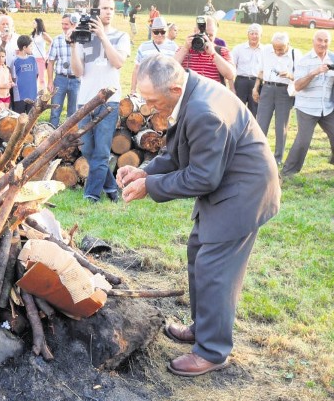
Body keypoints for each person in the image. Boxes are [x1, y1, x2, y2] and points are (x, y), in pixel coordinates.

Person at [117, 54, 281, 377]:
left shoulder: (204, 111)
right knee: (197, 253)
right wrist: (145, 172)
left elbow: (203, 177)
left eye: (151, 101)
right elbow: (180, 152)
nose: (147, 108)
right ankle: (203, 327)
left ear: (174, 89)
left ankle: (212, 351)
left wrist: (150, 186)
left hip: (242, 192)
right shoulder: (188, 94)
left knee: (214, 268)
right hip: (226, 182)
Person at [70, 0, 130, 203]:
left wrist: (103, 36)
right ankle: (112, 189)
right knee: (87, 149)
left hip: (109, 101)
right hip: (85, 100)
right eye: (103, 8)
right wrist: (73, 44)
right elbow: (78, 71)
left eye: (111, 9)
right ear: (95, 11)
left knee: (102, 151)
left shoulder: (121, 36)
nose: (108, 12)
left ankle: (91, 195)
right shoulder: (84, 37)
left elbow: (118, 62)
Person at [281, 30, 334, 178]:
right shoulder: (304, 61)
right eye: (320, 40)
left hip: (327, 108)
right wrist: (314, 72)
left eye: (326, 41)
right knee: (303, 141)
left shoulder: (332, 58)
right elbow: (297, 86)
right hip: (307, 108)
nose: (323, 44)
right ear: (313, 41)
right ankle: (287, 172)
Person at [252, 32, 298, 166]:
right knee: (261, 123)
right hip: (267, 88)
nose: (277, 52)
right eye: (275, 49)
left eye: (281, 49)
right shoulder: (266, 50)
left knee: (281, 126)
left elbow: (301, 78)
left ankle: (277, 158)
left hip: (284, 91)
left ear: (288, 45)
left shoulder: (296, 54)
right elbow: (260, 71)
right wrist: (256, 87)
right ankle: (258, 154)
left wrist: (289, 75)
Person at [174, 15, 235, 85]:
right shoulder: (183, 50)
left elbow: (231, 75)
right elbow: (170, 70)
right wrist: (184, 49)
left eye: (210, 35)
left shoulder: (222, 51)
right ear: (195, 31)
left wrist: (213, 54)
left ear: (215, 34)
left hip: (212, 95)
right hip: (189, 95)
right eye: (202, 34)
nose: (206, 38)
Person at [47, 13, 80, 128]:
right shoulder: (56, 40)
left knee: (73, 113)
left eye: (66, 24)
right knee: (55, 111)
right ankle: (50, 138)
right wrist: (50, 81)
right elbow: (50, 62)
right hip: (60, 79)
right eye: (63, 24)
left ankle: (69, 139)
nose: (64, 26)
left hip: (76, 80)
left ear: (74, 24)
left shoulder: (81, 40)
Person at [130, 16, 177, 94]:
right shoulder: (143, 47)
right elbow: (137, 69)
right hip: (147, 91)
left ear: (167, 31)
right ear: (151, 32)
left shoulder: (174, 47)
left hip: (167, 92)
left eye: (162, 32)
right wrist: (133, 90)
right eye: (156, 32)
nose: (159, 34)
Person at [231, 23, 263, 116]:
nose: (254, 36)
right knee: (238, 110)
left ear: (261, 35)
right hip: (241, 82)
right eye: (251, 33)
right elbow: (232, 66)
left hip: (256, 83)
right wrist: (232, 86)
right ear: (248, 35)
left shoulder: (264, 50)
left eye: (256, 34)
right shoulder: (238, 49)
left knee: (254, 111)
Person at [11, 35, 38, 114]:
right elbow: (13, 78)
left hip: (32, 95)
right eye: (30, 46)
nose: (32, 48)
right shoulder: (15, 61)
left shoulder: (33, 59)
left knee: (31, 119)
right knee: (20, 119)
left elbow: (36, 75)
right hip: (20, 96)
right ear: (24, 47)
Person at [30, 18, 52, 91]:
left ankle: (42, 95)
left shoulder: (43, 34)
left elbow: (52, 42)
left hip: (40, 58)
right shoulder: (32, 34)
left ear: (38, 24)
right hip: (32, 58)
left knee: (41, 78)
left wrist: (47, 53)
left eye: (34, 23)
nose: (33, 24)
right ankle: (34, 93)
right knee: (33, 77)